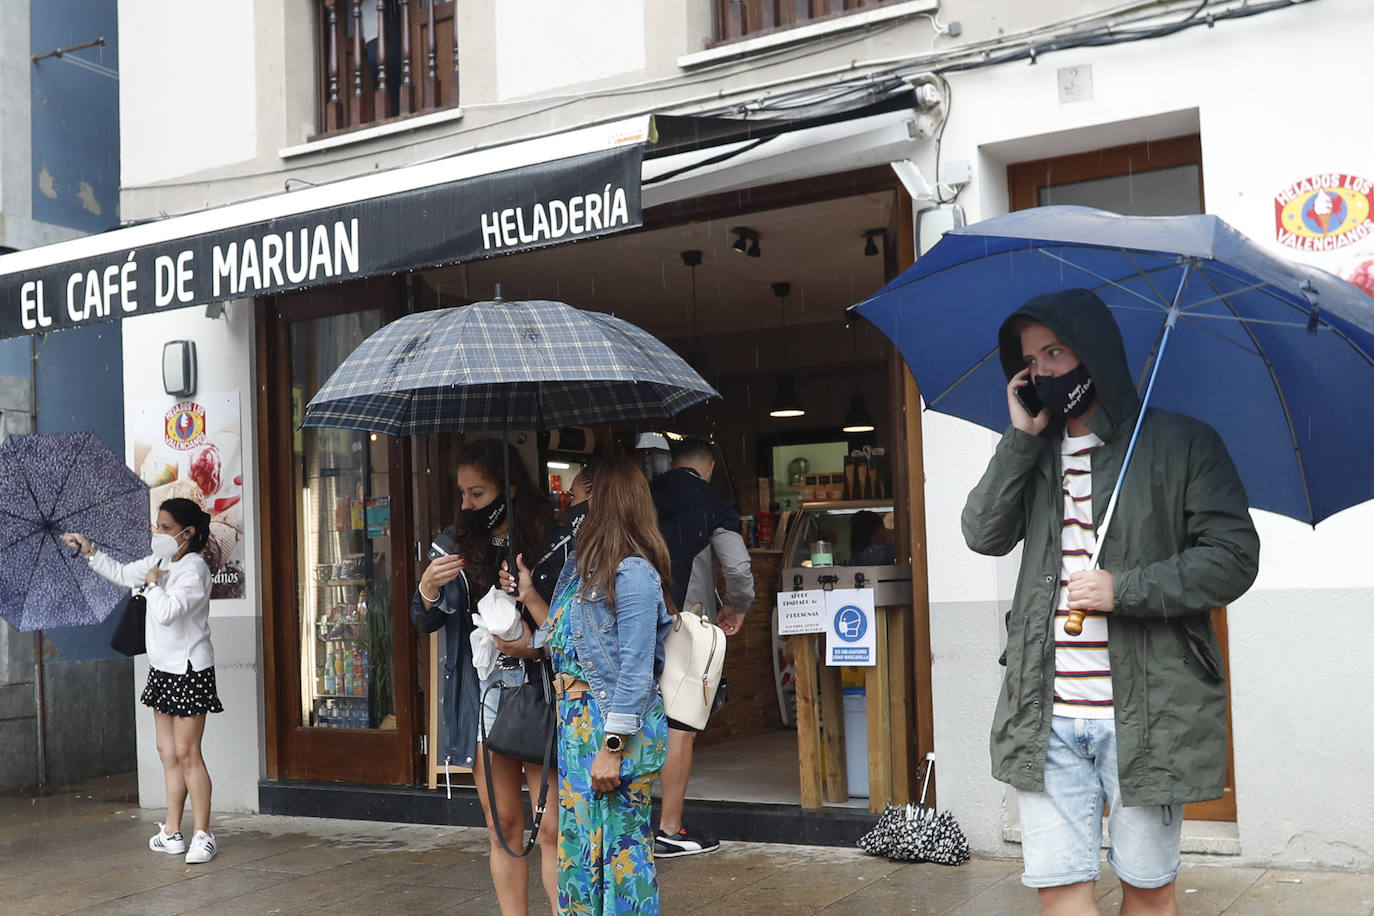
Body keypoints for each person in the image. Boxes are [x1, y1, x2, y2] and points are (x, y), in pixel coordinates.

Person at [961, 288, 1260, 916]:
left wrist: (1123, 589)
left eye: (1055, 351)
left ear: (1092, 352)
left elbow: (1233, 558)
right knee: (1061, 890)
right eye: (1030, 359)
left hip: (1150, 713)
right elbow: (982, 533)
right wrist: (1020, 439)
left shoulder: (1183, 444)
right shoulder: (1034, 454)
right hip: (1045, 712)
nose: (1041, 370)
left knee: (1148, 893)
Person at [516, 455, 673, 915]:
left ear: (604, 502)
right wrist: (526, 595)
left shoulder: (634, 574)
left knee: (622, 866)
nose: (570, 508)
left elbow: (636, 669)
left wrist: (613, 744)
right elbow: (555, 642)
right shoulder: (582, 570)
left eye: (578, 498)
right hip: (577, 732)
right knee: (582, 861)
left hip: (611, 731)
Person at [409, 438, 556, 916]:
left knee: (553, 825)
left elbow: (569, 622)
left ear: (508, 490)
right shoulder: (451, 543)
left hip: (539, 690)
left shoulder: (549, 538)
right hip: (482, 694)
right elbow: (423, 620)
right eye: (462, 493)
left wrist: (530, 612)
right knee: (503, 827)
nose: (467, 504)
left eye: (478, 493)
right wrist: (428, 589)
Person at [63, 497, 222, 865]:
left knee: (187, 754)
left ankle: (203, 833)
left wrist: (152, 586)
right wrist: (90, 550)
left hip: (189, 670)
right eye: (158, 526)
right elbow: (121, 573)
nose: (158, 533)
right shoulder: (160, 562)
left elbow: (167, 613)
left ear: (188, 533)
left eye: (165, 528)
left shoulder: (194, 570)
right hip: (162, 669)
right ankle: (171, 832)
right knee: (167, 753)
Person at [649, 436, 754, 858]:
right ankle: (669, 830)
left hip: (633, 619)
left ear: (673, 464)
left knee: (629, 719)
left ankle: (629, 825)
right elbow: (739, 566)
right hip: (686, 624)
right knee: (681, 724)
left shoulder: (643, 496)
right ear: (708, 467)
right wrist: (737, 606)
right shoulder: (713, 502)